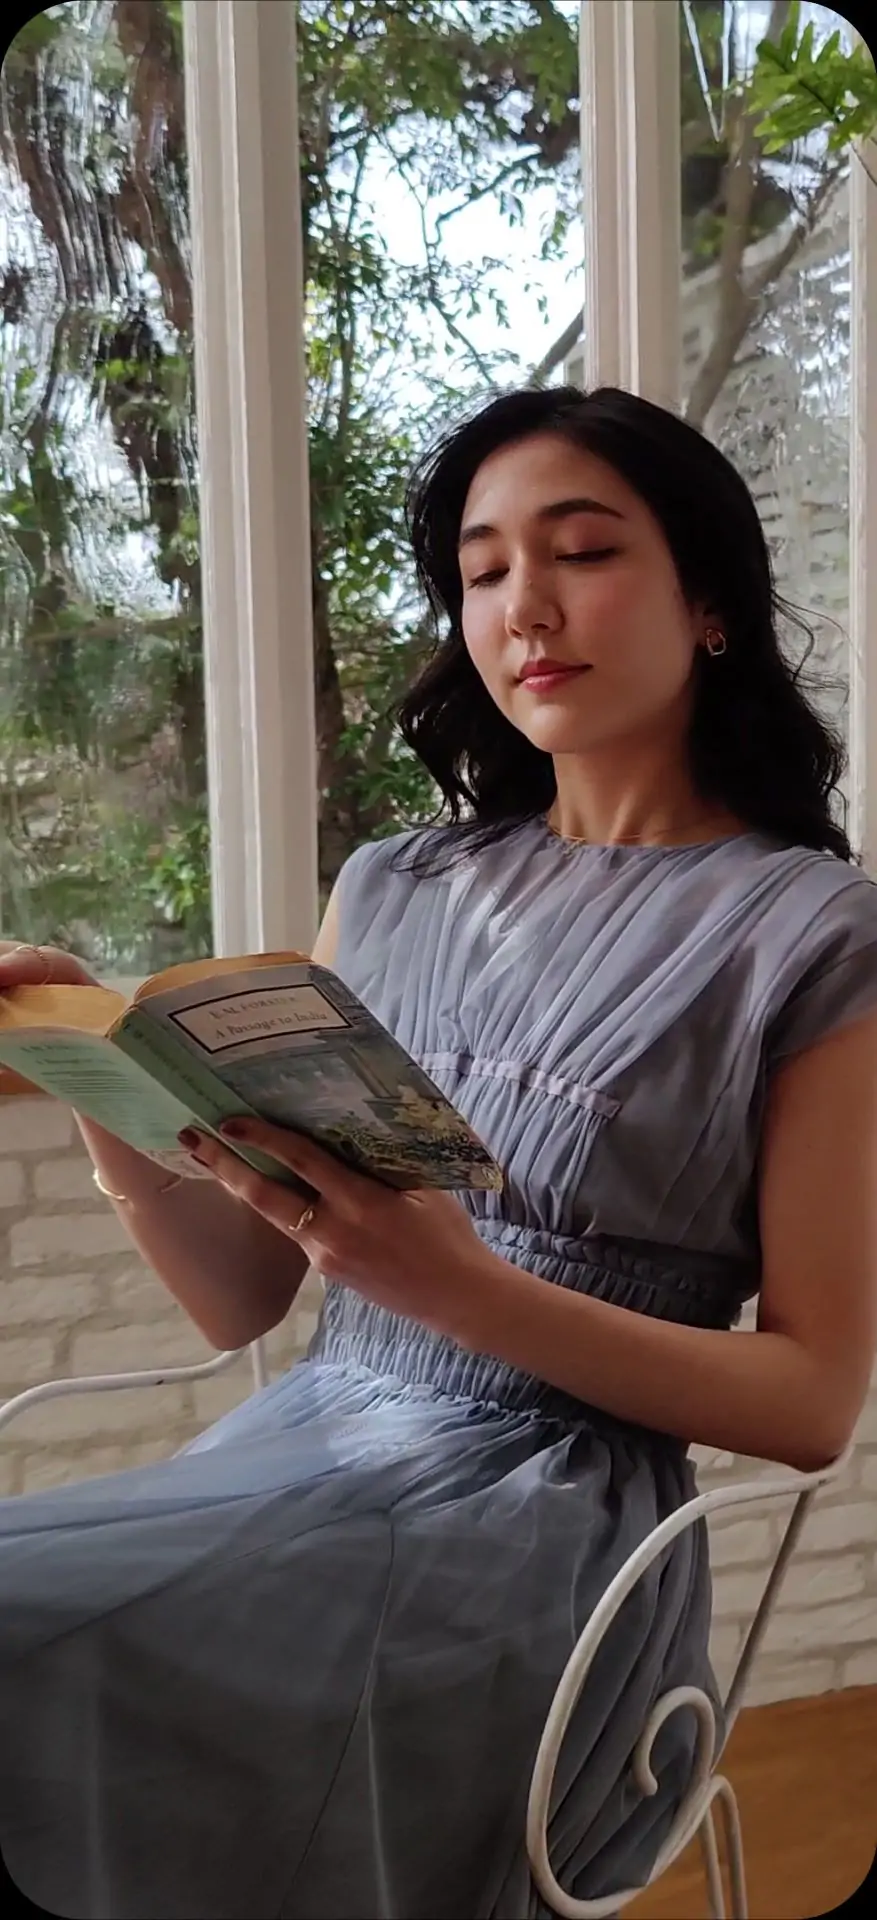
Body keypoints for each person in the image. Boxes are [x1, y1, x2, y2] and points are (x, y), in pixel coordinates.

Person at [1, 383, 877, 1920]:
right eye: (482, 571)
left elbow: (810, 1406)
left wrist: (461, 1291)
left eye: (582, 552)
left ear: (712, 603)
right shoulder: (394, 886)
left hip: (547, 1552)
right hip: (304, 1460)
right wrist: (95, 1077)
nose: (524, 606)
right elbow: (242, 1299)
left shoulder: (813, 936)